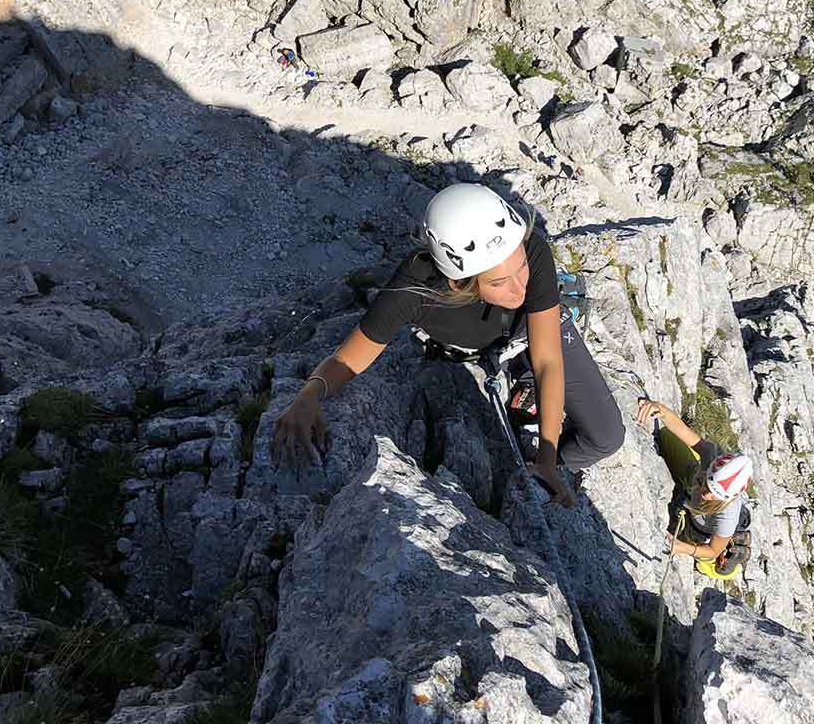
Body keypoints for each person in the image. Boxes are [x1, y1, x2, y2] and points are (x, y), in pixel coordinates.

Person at [271, 182, 625, 506]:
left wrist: (547, 459)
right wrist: (309, 396)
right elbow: (348, 360)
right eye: (499, 282)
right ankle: (521, 390)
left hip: (528, 333)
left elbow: (547, 358)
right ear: (458, 284)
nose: (520, 289)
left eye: (520, 269)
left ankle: (531, 409)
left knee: (606, 437)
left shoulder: (529, 247)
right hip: (472, 349)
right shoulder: (414, 291)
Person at [635, 398, 753, 579]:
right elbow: (682, 431)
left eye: (712, 494)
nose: (704, 492)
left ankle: (731, 558)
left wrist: (683, 548)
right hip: (688, 479)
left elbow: (712, 550)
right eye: (705, 482)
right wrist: (661, 409)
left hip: (698, 529)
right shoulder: (711, 455)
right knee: (665, 435)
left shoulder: (727, 514)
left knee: (712, 568)